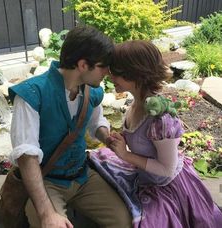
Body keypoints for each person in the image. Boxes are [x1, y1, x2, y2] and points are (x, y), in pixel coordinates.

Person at [8, 26, 132, 228]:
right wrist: (47, 214)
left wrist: (107, 138)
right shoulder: (31, 95)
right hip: (47, 181)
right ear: (83, 65)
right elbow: (27, 157)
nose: (109, 73)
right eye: (104, 66)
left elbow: (96, 124)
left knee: (125, 221)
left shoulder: (92, 92)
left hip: (83, 177)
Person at [89, 40, 222, 228]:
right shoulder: (136, 104)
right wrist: (124, 139)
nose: (110, 76)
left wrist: (126, 154)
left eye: (115, 72)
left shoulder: (160, 119)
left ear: (136, 74)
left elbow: (167, 170)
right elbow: (140, 139)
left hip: (165, 186)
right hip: (144, 175)